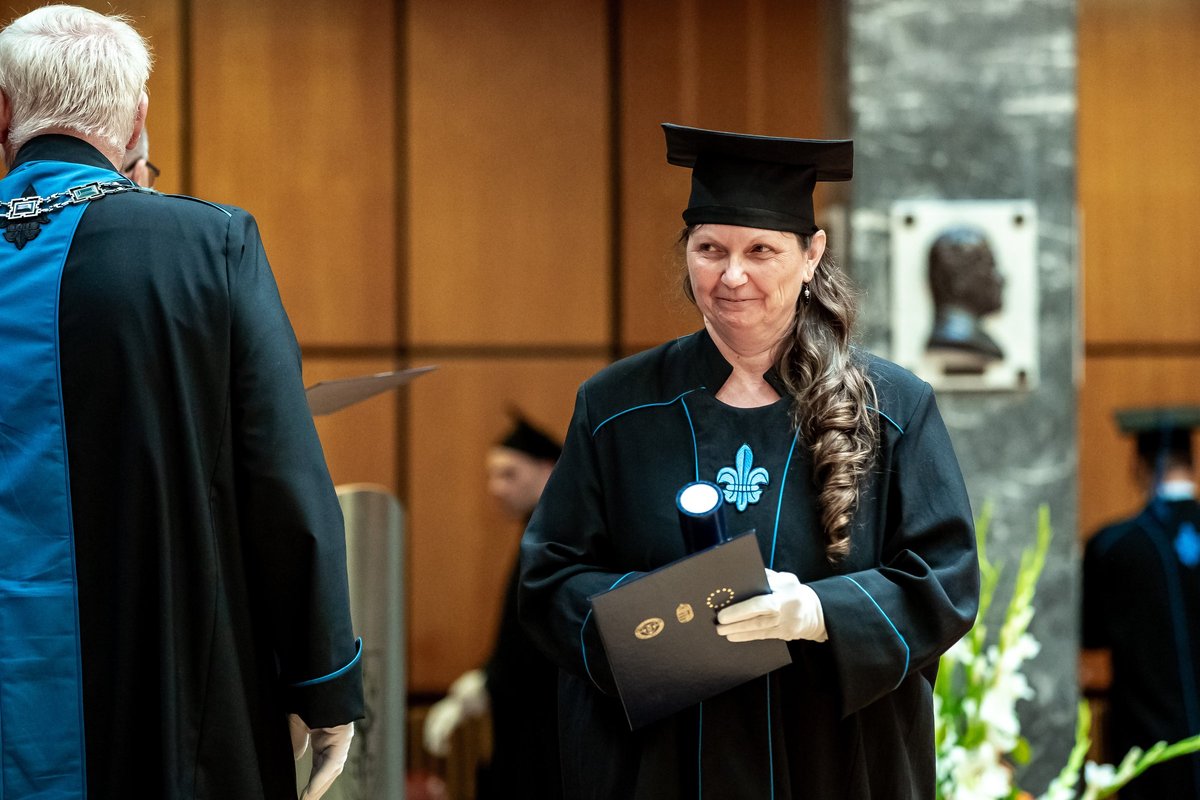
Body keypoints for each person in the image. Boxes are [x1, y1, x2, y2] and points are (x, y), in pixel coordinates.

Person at [519, 123, 980, 798]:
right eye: (710, 249)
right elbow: (549, 579)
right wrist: (668, 619)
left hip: (833, 758)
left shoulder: (893, 407)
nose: (732, 275)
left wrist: (818, 612)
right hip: (665, 761)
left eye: (760, 250)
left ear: (811, 254)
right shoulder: (616, 408)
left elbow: (945, 579)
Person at [0, 6, 361, 799]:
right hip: (162, 693)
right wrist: (325, 680)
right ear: (137, 119)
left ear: (2, 113)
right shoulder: (209, 245)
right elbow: (282, 481)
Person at [424, 414, 563, 798]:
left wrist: (487, 682)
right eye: (492, 475)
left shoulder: (558, 535)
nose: (495, 488)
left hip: (547, 726)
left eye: (509, 474)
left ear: (548, 469)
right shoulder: (538, 531)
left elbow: (539, 634)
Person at [1082, 406, 1200, 799]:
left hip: (1149, 752)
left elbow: (1090, 641)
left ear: (1139, 467)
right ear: (1192, 464)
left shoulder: (1114, 546)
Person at [926, 225, 1005, 364]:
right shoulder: (957, 338)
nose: (1000, 280)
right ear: (960, 280)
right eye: (990, 267)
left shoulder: (981, 340)